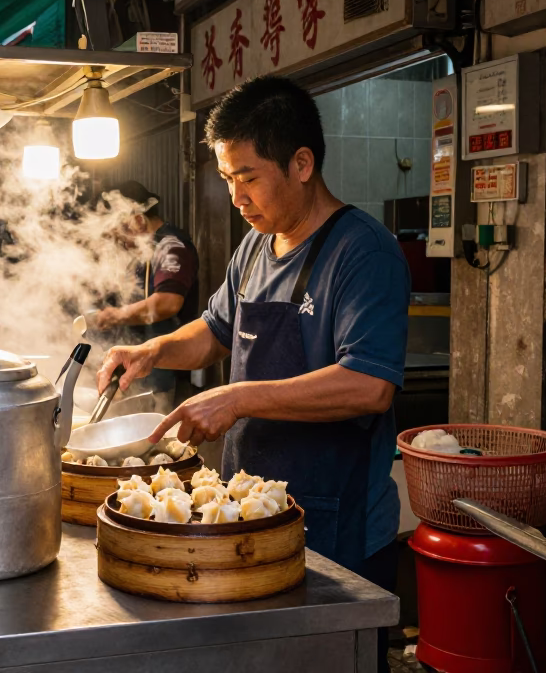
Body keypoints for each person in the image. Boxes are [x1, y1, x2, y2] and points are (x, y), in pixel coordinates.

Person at [95, 76, 408, 671]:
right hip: (250, 517)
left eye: (247, 178)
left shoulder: (364, 253)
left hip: (335, 528)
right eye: (226, 179)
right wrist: (154, 350)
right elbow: (213, 331)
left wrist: (237, 398)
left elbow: (369, 385)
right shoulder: (256, 248)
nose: (236, 197)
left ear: (302, 163)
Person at [90, 181, 199, 408]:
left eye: (119, 232)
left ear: (138, 220)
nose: (119, 241)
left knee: (156, 439)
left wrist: (116, 315)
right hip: (141, 369)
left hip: (164, 376)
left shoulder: (170, 246)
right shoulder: (143, 250)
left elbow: (168, 303)